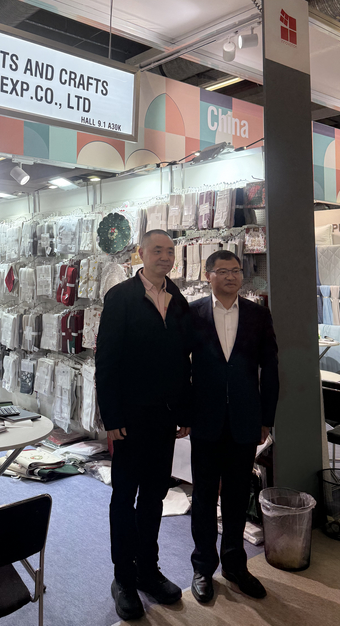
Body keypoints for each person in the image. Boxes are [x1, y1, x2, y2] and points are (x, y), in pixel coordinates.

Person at [95, 229, 192, 622]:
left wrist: (184, 411)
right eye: (157, 250)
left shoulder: (178, 299)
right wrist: (112, 416)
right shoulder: (121, 297)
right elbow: (106, 360)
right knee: (124, 497)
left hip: (164, 417)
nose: (165, 257)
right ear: (141, 253)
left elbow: (182, 361)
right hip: (130, 419)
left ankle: (148, 570)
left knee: (154, 496)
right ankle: (123, 577)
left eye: (170, 251)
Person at [189, 250, 279, 603]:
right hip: (205, 420)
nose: (231, 276)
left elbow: (270, 369)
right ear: (208, 275)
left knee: (238, 495)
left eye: (236, 270)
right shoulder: (192, 313)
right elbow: (180, 366)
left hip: (245, 419)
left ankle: (235, 565)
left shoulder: (258, 315)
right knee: (204, 496)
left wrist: (267, 418)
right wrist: (183, 413)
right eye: (223, 271)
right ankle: (202, 566)